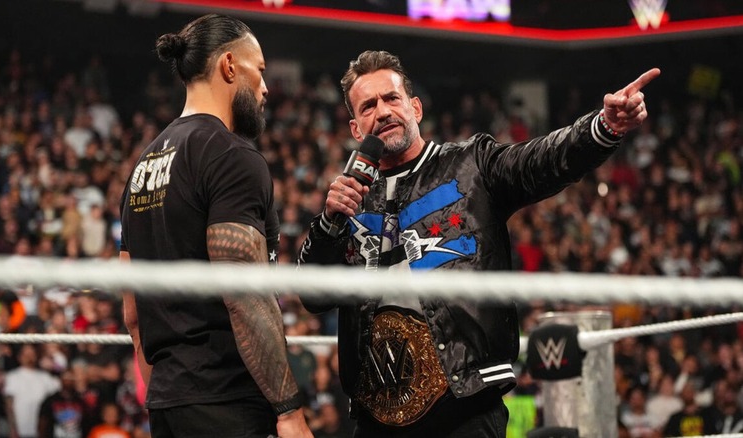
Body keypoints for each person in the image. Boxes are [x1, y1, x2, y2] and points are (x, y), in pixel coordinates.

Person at [297, 50, 659, 437]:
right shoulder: (350, 199)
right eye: (368, 106)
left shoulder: (471, 165)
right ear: (356, 130)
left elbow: (545, 160)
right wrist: (329, 222)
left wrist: (602, 126)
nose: (382, 111)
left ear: (415, 108)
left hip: (464, 403)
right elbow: (312, 295)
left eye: (391, 98)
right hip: (376, 418)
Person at [119, 14, 312, 438]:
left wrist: (169, 397)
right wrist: (289, 411)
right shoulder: (231, 156)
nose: (265, 89)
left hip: (169, 402)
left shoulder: (142, 168)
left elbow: (134, 312)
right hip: (228, 401)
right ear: (228, 66)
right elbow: (245, 296)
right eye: (259, 72)